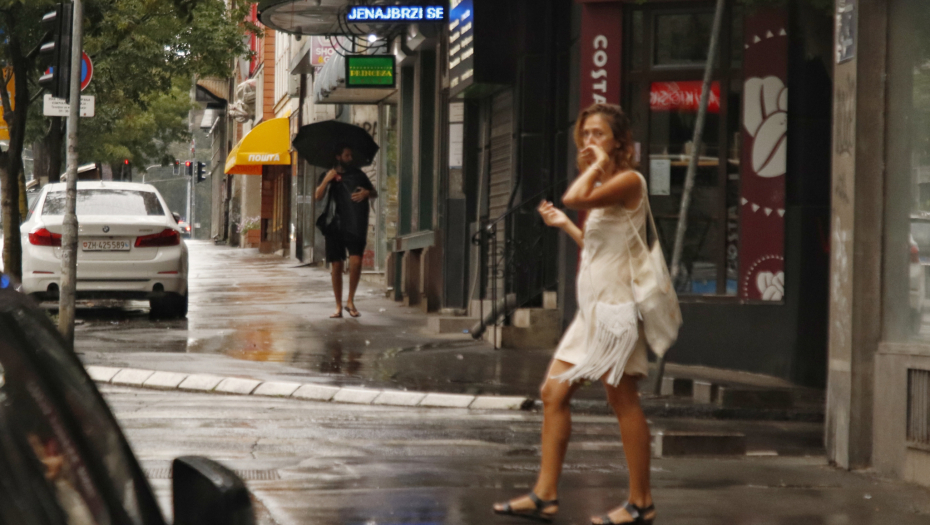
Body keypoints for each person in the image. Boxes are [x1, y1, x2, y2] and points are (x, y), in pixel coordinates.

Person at [492, 103, 656, 525]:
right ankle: (545, 495)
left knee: (623, 401)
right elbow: (599, 247)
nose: (588, 143)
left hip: (616, 311)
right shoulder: (607, 186)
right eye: (584, 136)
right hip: (592, 313)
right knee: (553, 394)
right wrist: (565, 225)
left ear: (620, 140)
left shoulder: (628, 181)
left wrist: (596, 166)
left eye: (598, 134)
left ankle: (641, 503)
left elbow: (574, 195)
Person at [314, 144, 378, 318]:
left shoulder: (358, 174)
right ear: (338, 157)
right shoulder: (327, 174)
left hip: (355, 223)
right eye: (347, 155)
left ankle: (350, 300)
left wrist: (366, 193)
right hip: (334, 225)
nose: (350, 158)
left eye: (351, 155)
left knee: (356, 261)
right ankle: (338, 305)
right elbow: (317, 196)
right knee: (336, 265)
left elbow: (374, 192)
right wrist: (327, 180)